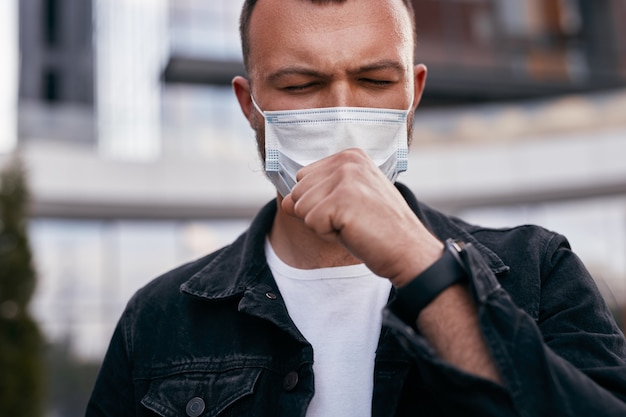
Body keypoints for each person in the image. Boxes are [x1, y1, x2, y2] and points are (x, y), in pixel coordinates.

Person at [86, 0, 626, 415]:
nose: (342, 114)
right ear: (250, 105)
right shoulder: (160, 318)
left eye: (374, 80)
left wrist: (423, 266)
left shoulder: (537, 269)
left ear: (413, 92)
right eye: (301, 85)